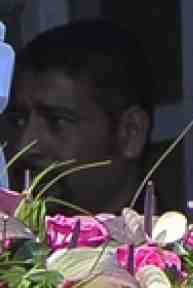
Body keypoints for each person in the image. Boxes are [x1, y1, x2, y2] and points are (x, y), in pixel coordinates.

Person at [2, 19, 156, 214]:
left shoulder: (181, 243)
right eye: (18, 121)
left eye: (57, 120)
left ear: (131, 132)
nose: (24, 145)